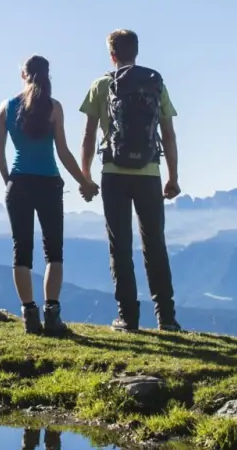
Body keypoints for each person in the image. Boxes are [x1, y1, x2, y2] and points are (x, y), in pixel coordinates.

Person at [78, 28, 182, 332]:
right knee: (155, 245)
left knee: (119, 246)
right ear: (136, 51)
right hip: (150, 174)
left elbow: (88, 135)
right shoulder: (155, 83)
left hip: (113, 173)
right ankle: (167, 318)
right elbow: (169, 135)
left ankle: (127, 317)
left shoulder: (101, 85)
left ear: (112, 55)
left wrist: (85, 176)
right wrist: (173, 178)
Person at [0, 54, 99, 336]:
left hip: (18, 184)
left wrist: (10, 183)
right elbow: (63, 153)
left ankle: (29, 315)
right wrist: (85, 182)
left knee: (21, 251)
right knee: (53, 252)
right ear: (47, 75)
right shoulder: (54, 108)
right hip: (49, 185)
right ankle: (52, 315)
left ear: (23, 75)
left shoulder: (6, 107)